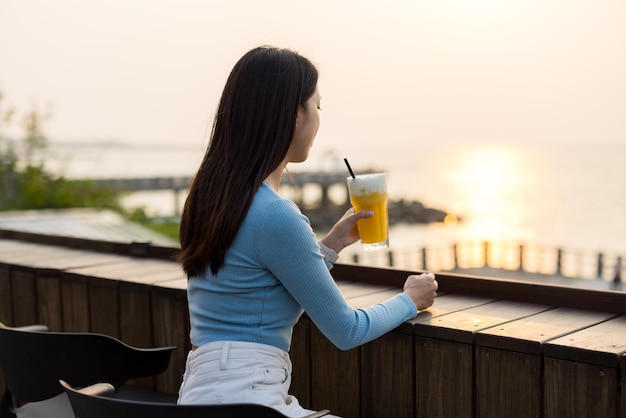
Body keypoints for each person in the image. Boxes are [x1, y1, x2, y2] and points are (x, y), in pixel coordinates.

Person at [176, 45, 438, 417]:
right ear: (293, 115)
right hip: (248, 399)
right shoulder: (276, 214)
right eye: (317, 106)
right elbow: (347, 330)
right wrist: (411, 299)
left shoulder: (209, 196)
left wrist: (327, 248)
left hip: (202, 395)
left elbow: (253, 286)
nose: (318, 119)